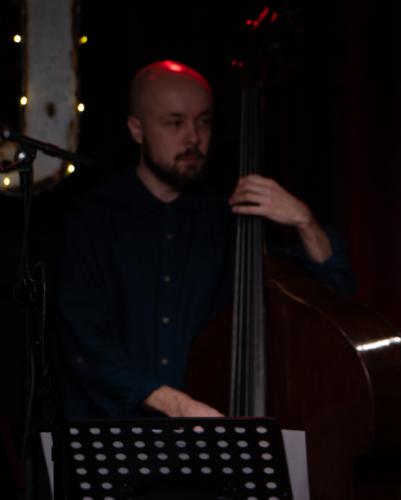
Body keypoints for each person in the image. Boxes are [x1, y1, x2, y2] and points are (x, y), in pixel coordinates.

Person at [57, 60, 354, 419]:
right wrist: (178, 404)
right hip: (118, 444)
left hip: (212, 447)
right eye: (174, 123)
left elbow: (333, 305)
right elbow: (86, 347)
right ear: (137, 129)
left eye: (204, 121)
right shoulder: (92, 220)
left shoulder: (233, 220)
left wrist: (306, 223)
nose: (193, 138)